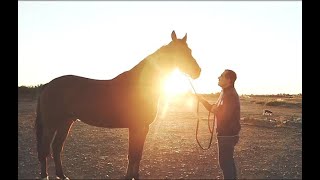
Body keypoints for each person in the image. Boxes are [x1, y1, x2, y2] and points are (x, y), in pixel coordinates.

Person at [197, 69, 241, 180]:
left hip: (227, 134)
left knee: (225, 163)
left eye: (221, 76)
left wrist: (215, 110)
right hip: (227, 133)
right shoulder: (225, 92)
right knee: (228, 162)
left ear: (229, 80)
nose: (218, 77)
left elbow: (224, 114)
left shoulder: (230, 95)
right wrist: (202, 101)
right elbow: (216, 109)